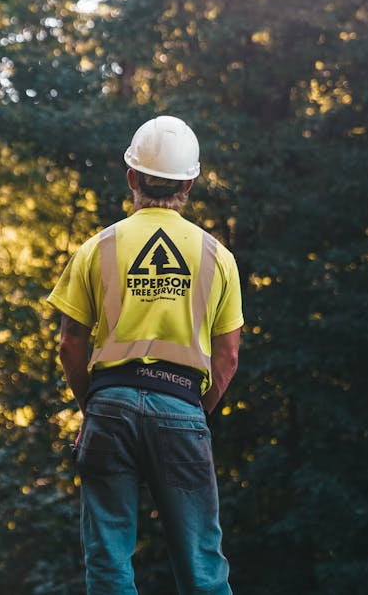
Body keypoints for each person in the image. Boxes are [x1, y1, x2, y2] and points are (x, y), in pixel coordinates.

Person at [47, 115, 243, 595]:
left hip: (109, 407)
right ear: (190, 183)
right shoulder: (217, 256)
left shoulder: (98, 248)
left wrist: (91, 407)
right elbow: (228, 357)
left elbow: (70, 342)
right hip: (181, 404)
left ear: (131, 176)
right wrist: (194, 413)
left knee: (109, 562)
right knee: (202, 568)